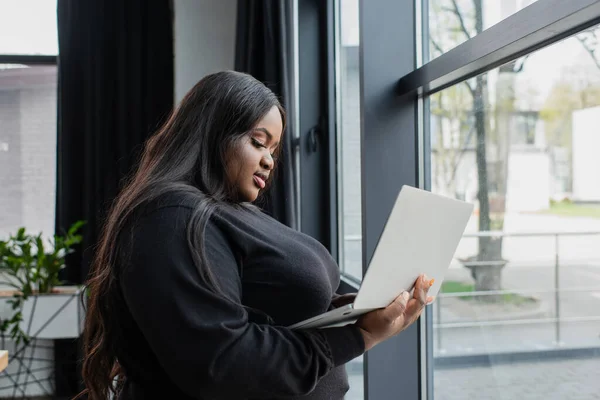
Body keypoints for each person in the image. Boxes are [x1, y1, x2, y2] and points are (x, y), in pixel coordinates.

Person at [79, 70, 434, 400]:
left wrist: (361, 310)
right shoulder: (173, 217)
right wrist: (359, 335)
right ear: (212, 133)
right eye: (258, 142)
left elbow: (278, 311)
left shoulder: (231, 214)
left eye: (274, 149)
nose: (269, 160)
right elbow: (221, 362)